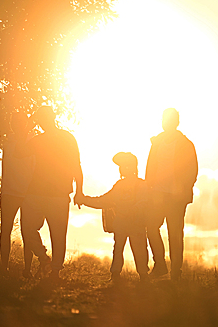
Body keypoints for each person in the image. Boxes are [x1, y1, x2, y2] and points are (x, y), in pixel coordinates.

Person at [16, 106, 84, 281]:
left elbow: (18, 152)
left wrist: (79, 191)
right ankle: (49, 265)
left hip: (48, 194)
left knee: (44, 232)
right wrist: (79, 191)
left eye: (41, 119)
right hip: (46, 193)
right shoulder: (64, 138)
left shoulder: (60, 139)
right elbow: (21, 153)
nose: (41, 122)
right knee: (51, 233)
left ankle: (50, 266)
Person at [77, 152, 150, 282]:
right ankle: (134, 275)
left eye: (124, 166)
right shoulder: (123, 185)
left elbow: (144, 202)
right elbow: (105, 200)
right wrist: (84, 200)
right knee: (129, 249)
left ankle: (134, 275)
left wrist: (84, 199)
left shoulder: (137, 185)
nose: (123, 169)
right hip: (126, 223)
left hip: (131, 223)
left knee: (128, 249)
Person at [145, 108, 198, 281]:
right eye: (163, 119)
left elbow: (192, 171)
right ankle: (160, 264)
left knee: (175, 233)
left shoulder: (185, 144)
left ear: (176, 122)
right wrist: (148, 189)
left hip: (176, 197)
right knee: (151, 226)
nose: (165, 122)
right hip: (157, 193)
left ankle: (176, 271)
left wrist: (183, 188)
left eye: (168, 119)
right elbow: (150, 168)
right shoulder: (157, 143)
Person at [0, 111, 35, 276]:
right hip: (14, 192)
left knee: (23, 231)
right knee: (18, 230)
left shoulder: (29, 143)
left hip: (22, 193)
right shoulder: (9, 142)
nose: (16, 126)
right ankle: (10, 267)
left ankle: (23, 268)